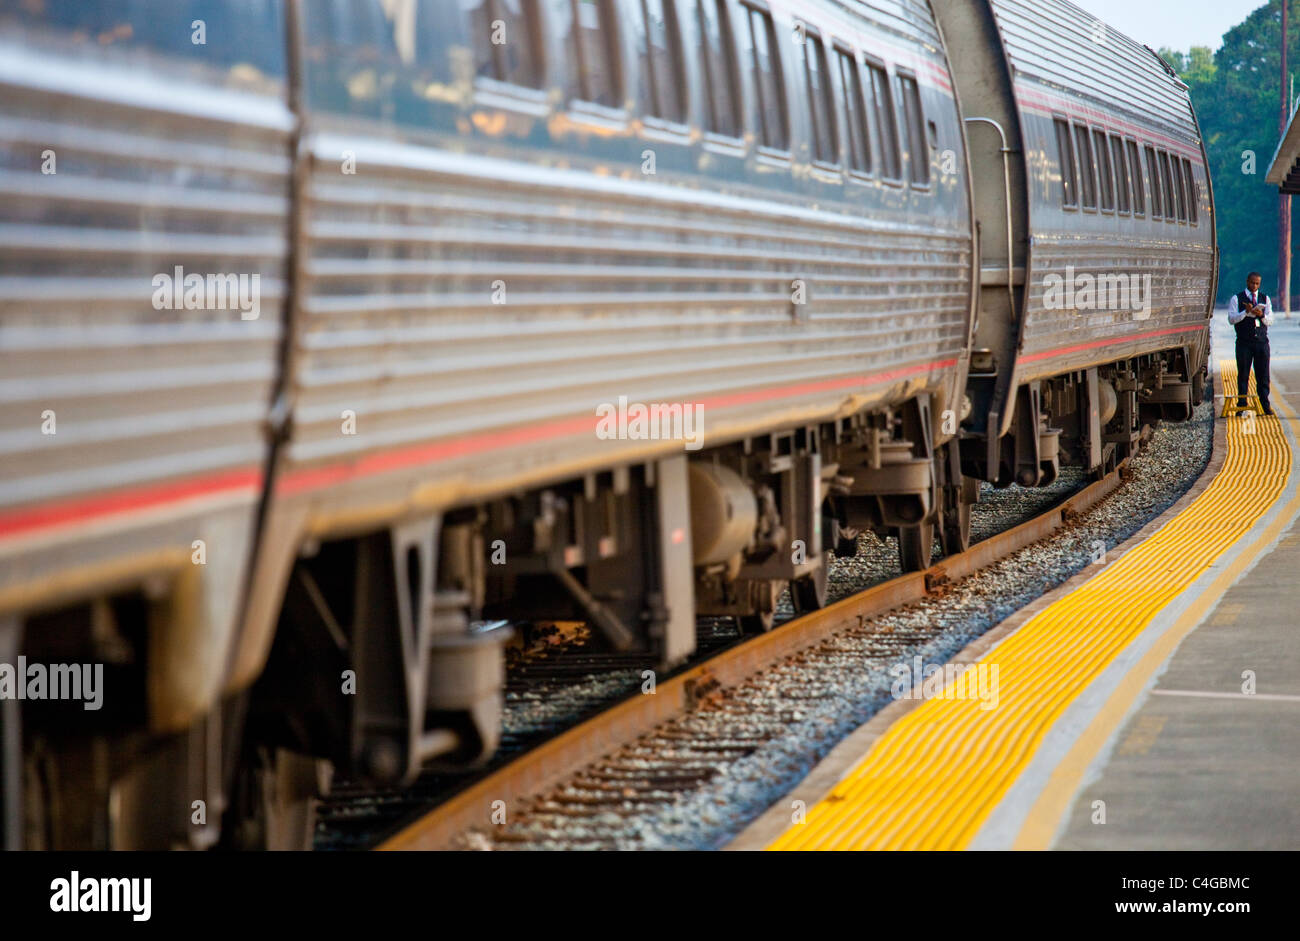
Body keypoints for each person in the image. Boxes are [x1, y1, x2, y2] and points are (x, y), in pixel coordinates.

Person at [1227, 272, 1274, 415]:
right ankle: (1242, 404)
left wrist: (1262, 315)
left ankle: (1264, 404)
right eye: (1252, 283)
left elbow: (1270, 321)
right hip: (1244, 343)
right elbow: (1231, 319)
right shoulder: (1237, 298)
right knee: (1243, 374)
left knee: (1263, 374)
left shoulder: (1265, 299)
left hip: (1261, 342)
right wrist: (1245, 313)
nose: (1254, 286)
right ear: (1247, 281)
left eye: (1257, 283)